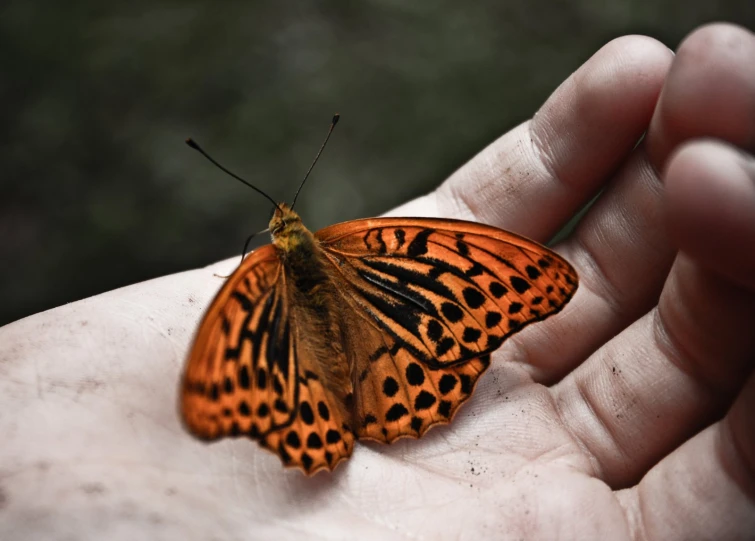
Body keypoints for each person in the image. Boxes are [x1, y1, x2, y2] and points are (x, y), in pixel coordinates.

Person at [1, 22, 753, 540]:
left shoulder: (251, 281)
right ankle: (375, 402)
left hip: (327, 376)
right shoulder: (372, 250)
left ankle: (322, 415)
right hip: (404, 365)